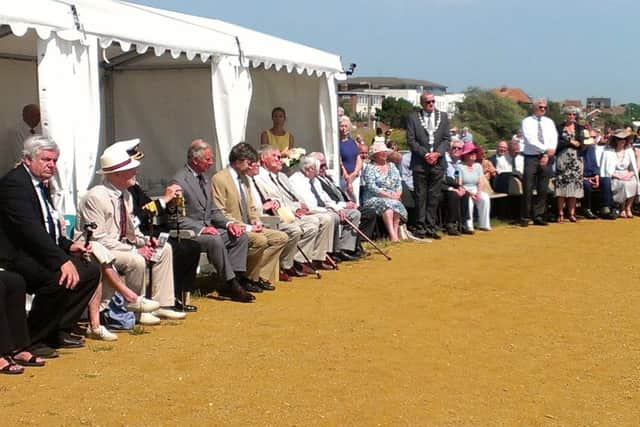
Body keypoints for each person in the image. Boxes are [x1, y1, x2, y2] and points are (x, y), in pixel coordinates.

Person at [0, 135, 100, 355]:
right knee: (57, 279)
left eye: (54, 160)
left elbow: (48, 224)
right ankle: (33, 338)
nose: (51, 165)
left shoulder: (41, 184)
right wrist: (61, 260)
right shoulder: (14, 184)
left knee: (90, 271)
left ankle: (59, 328)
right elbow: (30, 231)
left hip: (38, 250)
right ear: (28, 159)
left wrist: (69, 246)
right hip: (17, 255)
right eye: (46, 160)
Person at [77, 144, 186, 325]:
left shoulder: (125, 195)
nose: (135, 171)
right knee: (135, 260)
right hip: (99, 250)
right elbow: (98, 238)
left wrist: (145, 241)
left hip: (119, 245)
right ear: (117, 174)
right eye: (130, 169)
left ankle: (162, 304)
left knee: (163, 248)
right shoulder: (95, 197)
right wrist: (135, 250)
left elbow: (130, 230)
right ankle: (135, 306)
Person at [107, 139, 202, 312]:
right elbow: (142, 214)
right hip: (138, 233)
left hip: (146, 231)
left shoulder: (133, 187)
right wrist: (164, 200)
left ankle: (180, 293)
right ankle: (169, 296)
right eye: (132, 165)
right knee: (175, 248)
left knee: (192, 246)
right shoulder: (119, 190)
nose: (136, 169)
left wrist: (171, 203)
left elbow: (151, 207)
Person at [170, 140, 254, 302]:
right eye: (208, 159)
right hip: (191, 233)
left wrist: (230, 224)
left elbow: (213, 210)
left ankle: (233, 279)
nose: (212, 163)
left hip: (210, 229)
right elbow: (176, 218)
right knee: (214, 239)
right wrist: (201, 229)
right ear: (195, 160)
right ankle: (232, 284)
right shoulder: (179, 181)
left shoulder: (205, 179)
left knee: (239, 235)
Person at [212, 143, 288, 290]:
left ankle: (257, 276)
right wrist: (247, 227)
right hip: (232, 228)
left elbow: (251, 206)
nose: (250, 166)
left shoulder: (244, 178)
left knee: (280, 238)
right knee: (260, 240)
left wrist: (256, 221)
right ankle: (245, 278)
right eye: (248, 162)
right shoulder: (220, 179)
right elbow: (220, 211)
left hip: (249, 226)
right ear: (237, 160)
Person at [253, 145, 334, 271]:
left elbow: (294, 196)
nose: (279, 159)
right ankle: (293, 262)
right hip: (276, 215)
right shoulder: (259, 178)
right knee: (309, 225)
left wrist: (299, 206)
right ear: (263, 158)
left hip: (289, 211)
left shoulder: (282, 176)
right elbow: (275, 202)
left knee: (322, 220)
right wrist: (293, 210)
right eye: (275, 156)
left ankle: (313, 258)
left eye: (280, 156)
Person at [245, 158, 313, 281]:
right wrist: (265, 207)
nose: (257, 166)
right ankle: (276, 268)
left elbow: (274, 197)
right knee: (293, 230)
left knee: (311, 223)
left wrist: (274, 202)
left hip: (277, 213)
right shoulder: (250, 180)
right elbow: (250, 206)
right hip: (261, 217)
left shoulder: (261, 178)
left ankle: (288, 264)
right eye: (254, 164)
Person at [289, 155, 362, 261]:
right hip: (313, 211)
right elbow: (308, 205)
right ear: (309, 169)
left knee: (354, 213)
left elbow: (325, 199)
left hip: (324, 208)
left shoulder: (315, 180)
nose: (320, 171)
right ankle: (330, 251)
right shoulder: (296, 181)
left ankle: (346, 249)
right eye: (317, 169)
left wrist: (337, 209)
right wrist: (330, 210)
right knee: (332, 217)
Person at [406, 91, 450, 239]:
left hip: (437, 163)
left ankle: (431, 226)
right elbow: (411, 140)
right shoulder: (413, 118)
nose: (431, 104)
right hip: (420, 163)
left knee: (434, 196)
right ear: (422, 103)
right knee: (420, 196)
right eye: (428, 102)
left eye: (433, 101)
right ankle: (420, 226)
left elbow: (446, 139)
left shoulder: (443, 117)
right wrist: (425, 154)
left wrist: (437, 153)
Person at [311, 151, 377, 249]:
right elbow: (327, 200)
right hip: (335, 207)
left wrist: (350, 201)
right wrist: (345, 205)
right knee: (360, 214)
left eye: (325, 165)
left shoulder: (327, 177)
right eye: (321, 166)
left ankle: (356, 242)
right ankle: (349, 246)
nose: (324, 168)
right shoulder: (315, 181)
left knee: (370, 212)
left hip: (343, 204)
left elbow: (338, 193)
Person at [519, 98, 558, 226]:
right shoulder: (527, 122)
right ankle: (525, 216)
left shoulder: (549, 122)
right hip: (532, 156)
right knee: (528, 187)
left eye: (545, 107)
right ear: (534, 108)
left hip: (547, 157)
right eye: (540, 107)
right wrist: (545, 150)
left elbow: (554, 137)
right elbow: (530, 139)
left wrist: (549, 152)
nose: (543, 109)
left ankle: (539, 215)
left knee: (543, 187)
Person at [361, 142, 407, 242]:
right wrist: (388, 196)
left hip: (392, 197)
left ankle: (395, 233)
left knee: (394, 204)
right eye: (382, 152)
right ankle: (392, 234)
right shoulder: (370, 168)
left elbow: (398, 183)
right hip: (373, 197)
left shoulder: (392, 166)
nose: (385, 154)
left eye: (386, 152)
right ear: (375, 155)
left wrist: (398, 194)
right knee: (388, 205)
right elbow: (371, 186)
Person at [600, 129, 639, 218]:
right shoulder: (608, 152)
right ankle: (622, 209)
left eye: (624, 139)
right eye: (620, 139)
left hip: (627, 173)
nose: (622, 141)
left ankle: (628, 208)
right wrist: (618, 176)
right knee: (623, 184)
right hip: (614, 176)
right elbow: (606, 170)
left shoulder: (629, 151)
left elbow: (633, 168)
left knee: (634, 182)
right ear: (615, 140)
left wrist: (630, 174)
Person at [555, 107, 584, 222]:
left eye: (573, 114)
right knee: (561, 188)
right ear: (565, 115)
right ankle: (560, 213)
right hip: (563, 158)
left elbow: (584, 143)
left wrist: (580, 144)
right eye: (569, 114)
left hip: (576, 160)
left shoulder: (580, 128)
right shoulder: (559, 128)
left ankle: (572, 213)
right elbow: (556, 142)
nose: (571, 116)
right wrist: (570, 142)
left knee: (574, 187)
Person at [456, 142, 491, 232]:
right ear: (465, 155)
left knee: (485, 198)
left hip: (476, 189)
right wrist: (470, 194)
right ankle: (469, 226)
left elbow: (480, 181)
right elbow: (459, 184)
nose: (473, 155)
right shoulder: (460, 166)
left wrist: (478, 192)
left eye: (474, 152)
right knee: (469, 201)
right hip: (465, 190)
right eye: (471, 153)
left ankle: (484, 224)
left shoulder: (478, 166)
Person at [443, 138, 471, 235]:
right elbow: (443, 178)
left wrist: (461, 188)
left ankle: (462, 224)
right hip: (444, 187)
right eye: (454, 148)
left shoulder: (461, 162)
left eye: (459, 148)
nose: (456, 150)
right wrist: (453, 188)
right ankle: (450, 224)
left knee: (466, 194)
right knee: (453, 195)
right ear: (449, 149)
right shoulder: (444, 161)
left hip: (457, 186)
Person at [338, 116, 363, 203]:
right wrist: (347, 178)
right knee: (346, 201)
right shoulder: (337, 143)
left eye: (346, 126)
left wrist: (355, 173)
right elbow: (339, 161)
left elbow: (358, 158)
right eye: (341, 126)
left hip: (355, 178)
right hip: (343, 178)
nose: (344, 128)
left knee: (356, 201)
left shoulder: (352, 141)